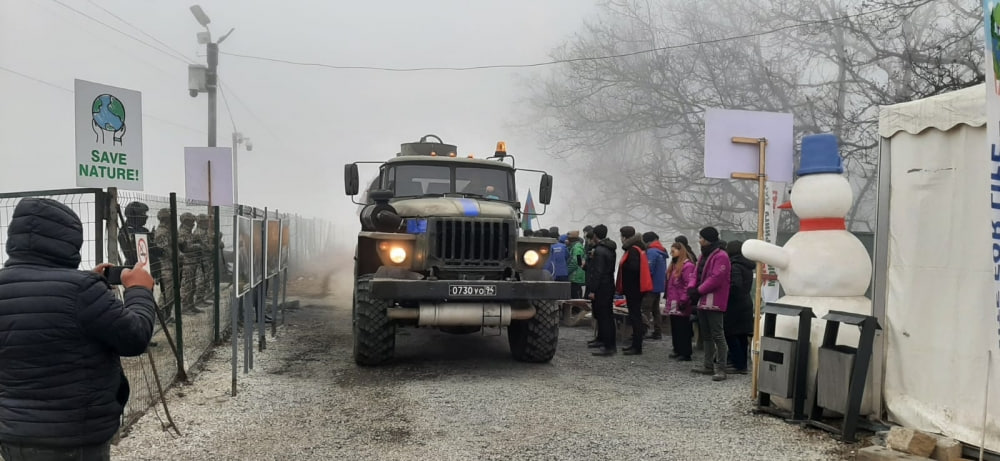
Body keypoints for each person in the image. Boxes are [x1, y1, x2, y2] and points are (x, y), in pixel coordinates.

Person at [0, 198, 156, 461]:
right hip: (73, 437)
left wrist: (88, 283)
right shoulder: (82, 292)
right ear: (69, 240)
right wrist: (139, 290)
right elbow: (135, 337)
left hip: (12, 434)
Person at [690, 226, 732, 381]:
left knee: (718, 335)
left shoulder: (721, 256)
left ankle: (721, 368)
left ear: (707, 240)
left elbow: (716, 278)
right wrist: (691, 288)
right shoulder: (703, 255)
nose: (700, 240)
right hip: (702, 299)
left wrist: (698, 290)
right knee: (706, 334)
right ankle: (708, 365)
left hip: (715, 300)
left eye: (701, 238)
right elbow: (696, 273)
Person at [616, 226, 653, 355]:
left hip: (634, 289)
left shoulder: (633, 250)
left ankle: (637, 346)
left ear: (625, 237)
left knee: (635, 316)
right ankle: (635, 344)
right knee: (635, 315)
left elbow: (633, 269)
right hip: (637, 288)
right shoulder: (638, 248)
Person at [586, 225, 618, 356]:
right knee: (606, 315)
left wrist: (593, 290)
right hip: (609, 284)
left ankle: (609, 346)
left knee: (604, 317)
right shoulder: (610, 249)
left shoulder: (599, 251)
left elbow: (597, 271)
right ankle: (603, 340)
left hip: (601, 287)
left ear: (594, 236)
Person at [724, 240, 755, 374]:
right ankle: (742, 364)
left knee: (730, 333)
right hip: (746, 302)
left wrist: (726, 293)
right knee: (742, 335)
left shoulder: (734, 266)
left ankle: (738, 363)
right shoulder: (747, 265)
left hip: (735, 304)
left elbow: (736, 285)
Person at [665, 242, 697, 361]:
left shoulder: (687, 266)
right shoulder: (675, 266)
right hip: (674, 300)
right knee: (675, 327)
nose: (671, 254)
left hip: (681, 301)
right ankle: (677, 349)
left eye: (673, 251)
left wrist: (684, 299)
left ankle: (685, 352)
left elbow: (687, 285)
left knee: (683, 328)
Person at [641, 232, 668, 340]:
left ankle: (643, 331)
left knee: (645, 309)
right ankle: (658, 331)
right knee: (656, 310)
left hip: (650, 285)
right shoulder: (662, 251)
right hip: (659, 285)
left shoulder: (651, 252)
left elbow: (649, 270)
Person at [177, 212, 203, 314]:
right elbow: (184, 248)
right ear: (185, 222)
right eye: (191, 222)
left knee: (192, 285)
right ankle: (185, 307)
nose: (193, 224)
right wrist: (197, 246)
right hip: (186, 263)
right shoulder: (182, 233)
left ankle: (191, 305)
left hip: (193, 262)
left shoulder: (189, 233)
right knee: (187, 285)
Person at [153, 208, 175, 315]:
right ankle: (161, 316)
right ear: (167, 220)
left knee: (171, 292)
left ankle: (166, 315)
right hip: (165, 267)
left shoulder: (168, 231)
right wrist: (179, 257)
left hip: (170, 266)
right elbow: (165, 251)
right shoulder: (162, 232)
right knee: (167, 292)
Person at [117, 201, 149, 266]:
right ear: (135, 215)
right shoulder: (125, 232)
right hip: (134, 266)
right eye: (143, 213)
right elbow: (131, 254)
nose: (145, 216)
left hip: (147, 265)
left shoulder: (144, 230)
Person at [566, 230, 586, 299]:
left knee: (576, 298)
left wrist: (567, 271)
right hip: (575, 277)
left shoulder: (577, 248)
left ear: (571, 239)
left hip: (576, 277)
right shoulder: (574, 247)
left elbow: (576, 262)